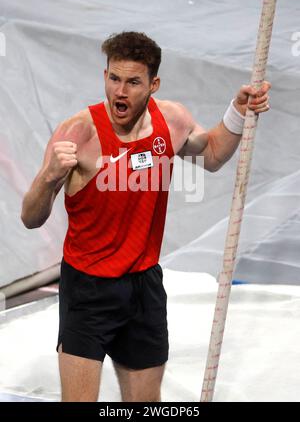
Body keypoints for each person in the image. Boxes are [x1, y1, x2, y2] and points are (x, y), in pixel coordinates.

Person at [21, 31, 270, 402]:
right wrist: (48, 177)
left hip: (143, 287)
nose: (120, 92)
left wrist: (237, 110)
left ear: (153, 84)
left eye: (133, 82)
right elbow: (30, 217)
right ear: (105, 75)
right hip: (88, 289)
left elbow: (214, 155)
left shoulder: (171, 121)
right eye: (113, 78)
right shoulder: (79, 133)